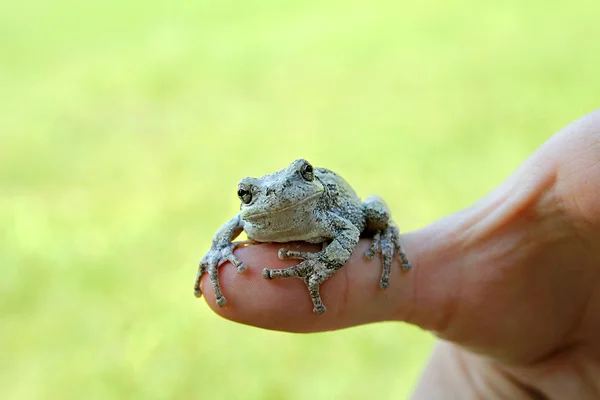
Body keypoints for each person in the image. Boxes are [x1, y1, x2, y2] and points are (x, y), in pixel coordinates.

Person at [200, 110, 600, 399]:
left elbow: (351, 227)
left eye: (302, 175)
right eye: (248, 194)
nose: (278, 195)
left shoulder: (320, 206)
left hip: (350, 212)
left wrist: (319, 265)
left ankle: (390, 238)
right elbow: (234, 225)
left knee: (373, 212)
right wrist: (218, 251)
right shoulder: (253, 218)